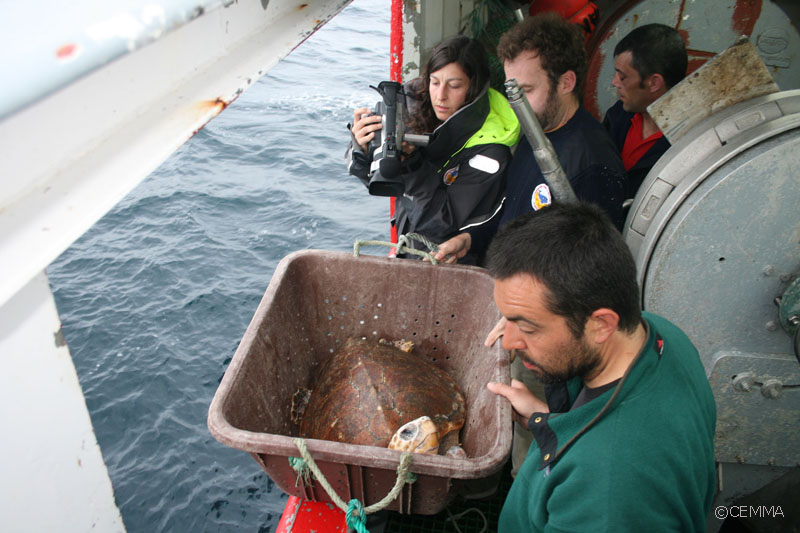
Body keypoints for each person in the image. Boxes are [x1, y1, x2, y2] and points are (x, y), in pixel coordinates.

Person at [484, 202, 716, 531]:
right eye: (507, 318)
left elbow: (604, 477)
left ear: (601, 325)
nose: (508, 342)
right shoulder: (663, 334)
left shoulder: (607, 496)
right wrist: (548, 420)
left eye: (528, 327)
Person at [433, 13, 626, 266]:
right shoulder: (535, 130)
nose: (514, 105)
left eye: (525, 91)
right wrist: (471, 239)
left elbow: (589, 269)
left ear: (566, 82)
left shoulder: (592, 164)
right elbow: (514, 215)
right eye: (511, 91)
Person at [345, 35, 520, 260]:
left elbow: (439, 226)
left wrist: (411, 164)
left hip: (452, 264)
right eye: (435, 82)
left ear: (473, 88)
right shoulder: (413, 109)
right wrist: (363, 150)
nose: (440, 96)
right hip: (408, 248)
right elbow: (380, 182)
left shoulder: (491, 155)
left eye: (454, 85)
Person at [603, 23, 688, 201]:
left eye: (622, 77)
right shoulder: (617, 115)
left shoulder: (685, 146)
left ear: (654, 82)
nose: (614, 82)